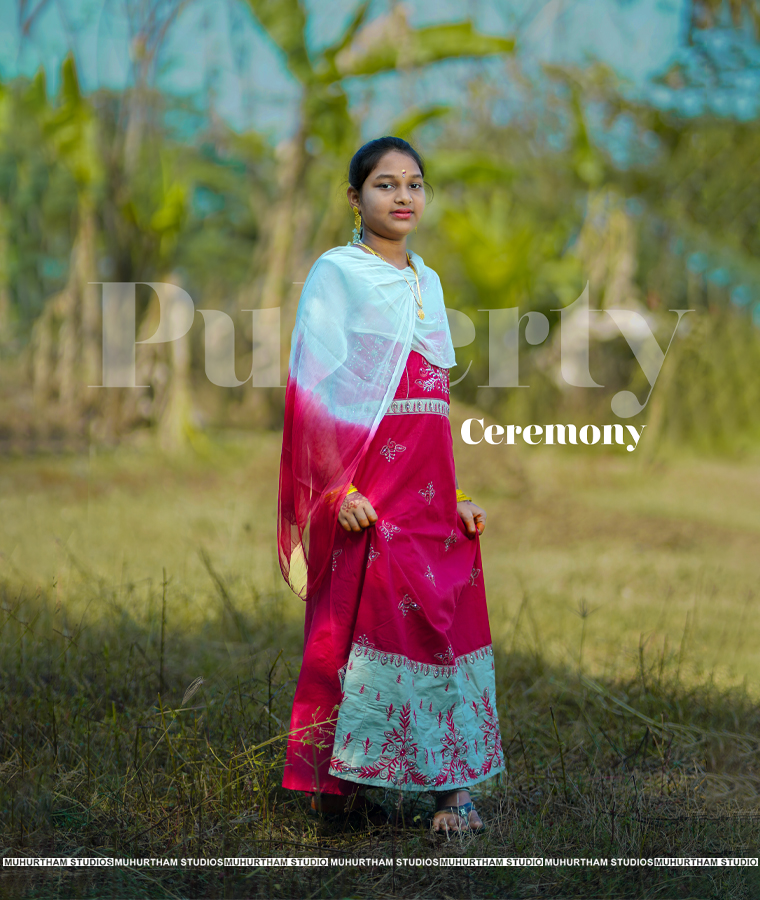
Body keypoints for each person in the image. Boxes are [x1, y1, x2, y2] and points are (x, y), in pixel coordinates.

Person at [277, 136, 504, 833]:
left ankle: (452, 792)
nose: (403, 196)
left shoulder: (427, 283)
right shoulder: (337, 273)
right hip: (366, 486)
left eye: (414, 184)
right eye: (385, 184)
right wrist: (336, 492)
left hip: (428, 488)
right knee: (357, 622)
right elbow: (314, 393)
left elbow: (432, 402)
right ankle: (343, 789)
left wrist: (456, 494)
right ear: (355, 199)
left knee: (444, 617)